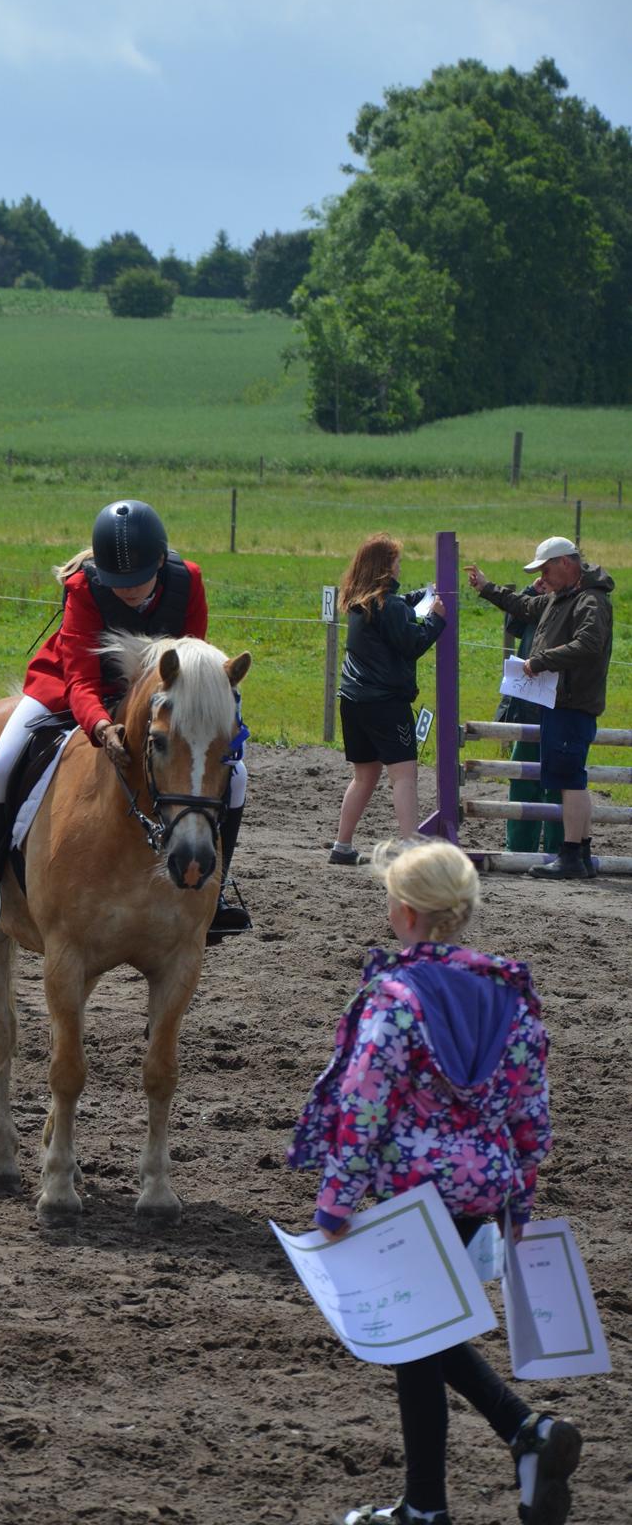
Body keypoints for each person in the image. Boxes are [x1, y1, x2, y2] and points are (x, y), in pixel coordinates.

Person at [288, 839, 581, 1525]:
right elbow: (529, 1103)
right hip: (482, 1190)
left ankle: (429, 1505)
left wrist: (336, 1199)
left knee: (416, 1343)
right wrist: (521, 1191)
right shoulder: (509, 996)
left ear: (405, 913)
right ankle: (521, 1438)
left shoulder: (394, 999)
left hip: (413, 1191)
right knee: (424, 1332)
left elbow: (365, 1102)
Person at [0, 499, 250, 943]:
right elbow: (80, 680)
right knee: (1, 763)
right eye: (118, 583)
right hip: (73, 687)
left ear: (159, 564)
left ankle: (217, 890)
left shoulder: (188, 581)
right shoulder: (84, 587)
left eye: (136, 581)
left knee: (237, 774)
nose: (126, 590)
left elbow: (191, 659)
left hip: (156, 696)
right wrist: (100, 727)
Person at [466, 536, 614, 881]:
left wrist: (541, 660)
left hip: (571, 703)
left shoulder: (589, 600)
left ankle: (572, 853)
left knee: (569, 779)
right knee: (571, 778)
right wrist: (488, 588)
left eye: (546, 569)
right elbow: (522, 606)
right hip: (562, 702)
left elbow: (589, 644)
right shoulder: (561, 598)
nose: (542, 577)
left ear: (566, 563)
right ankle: (579, 850)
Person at [330, 535, 446, 864]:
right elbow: (412, 643)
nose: (400, 565)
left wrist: (422, 596)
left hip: (352, 701)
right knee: (404, 775)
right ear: (384, 567)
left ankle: (342, 845)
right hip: (386, 704)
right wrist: (437, 618)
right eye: (396, 560)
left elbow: (396, 610)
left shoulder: (358, 602)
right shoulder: (390, 606)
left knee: (363, 777)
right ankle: (412, 849)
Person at [495, 583, 564, 858]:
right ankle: (519, 846)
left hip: (559, 706)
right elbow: (513, 625)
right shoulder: (536, 601)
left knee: (559, 783)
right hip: (527, 703)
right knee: (523, 780)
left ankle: (559, 849)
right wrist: (531, 590)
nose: (542, 580)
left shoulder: (573, 607)